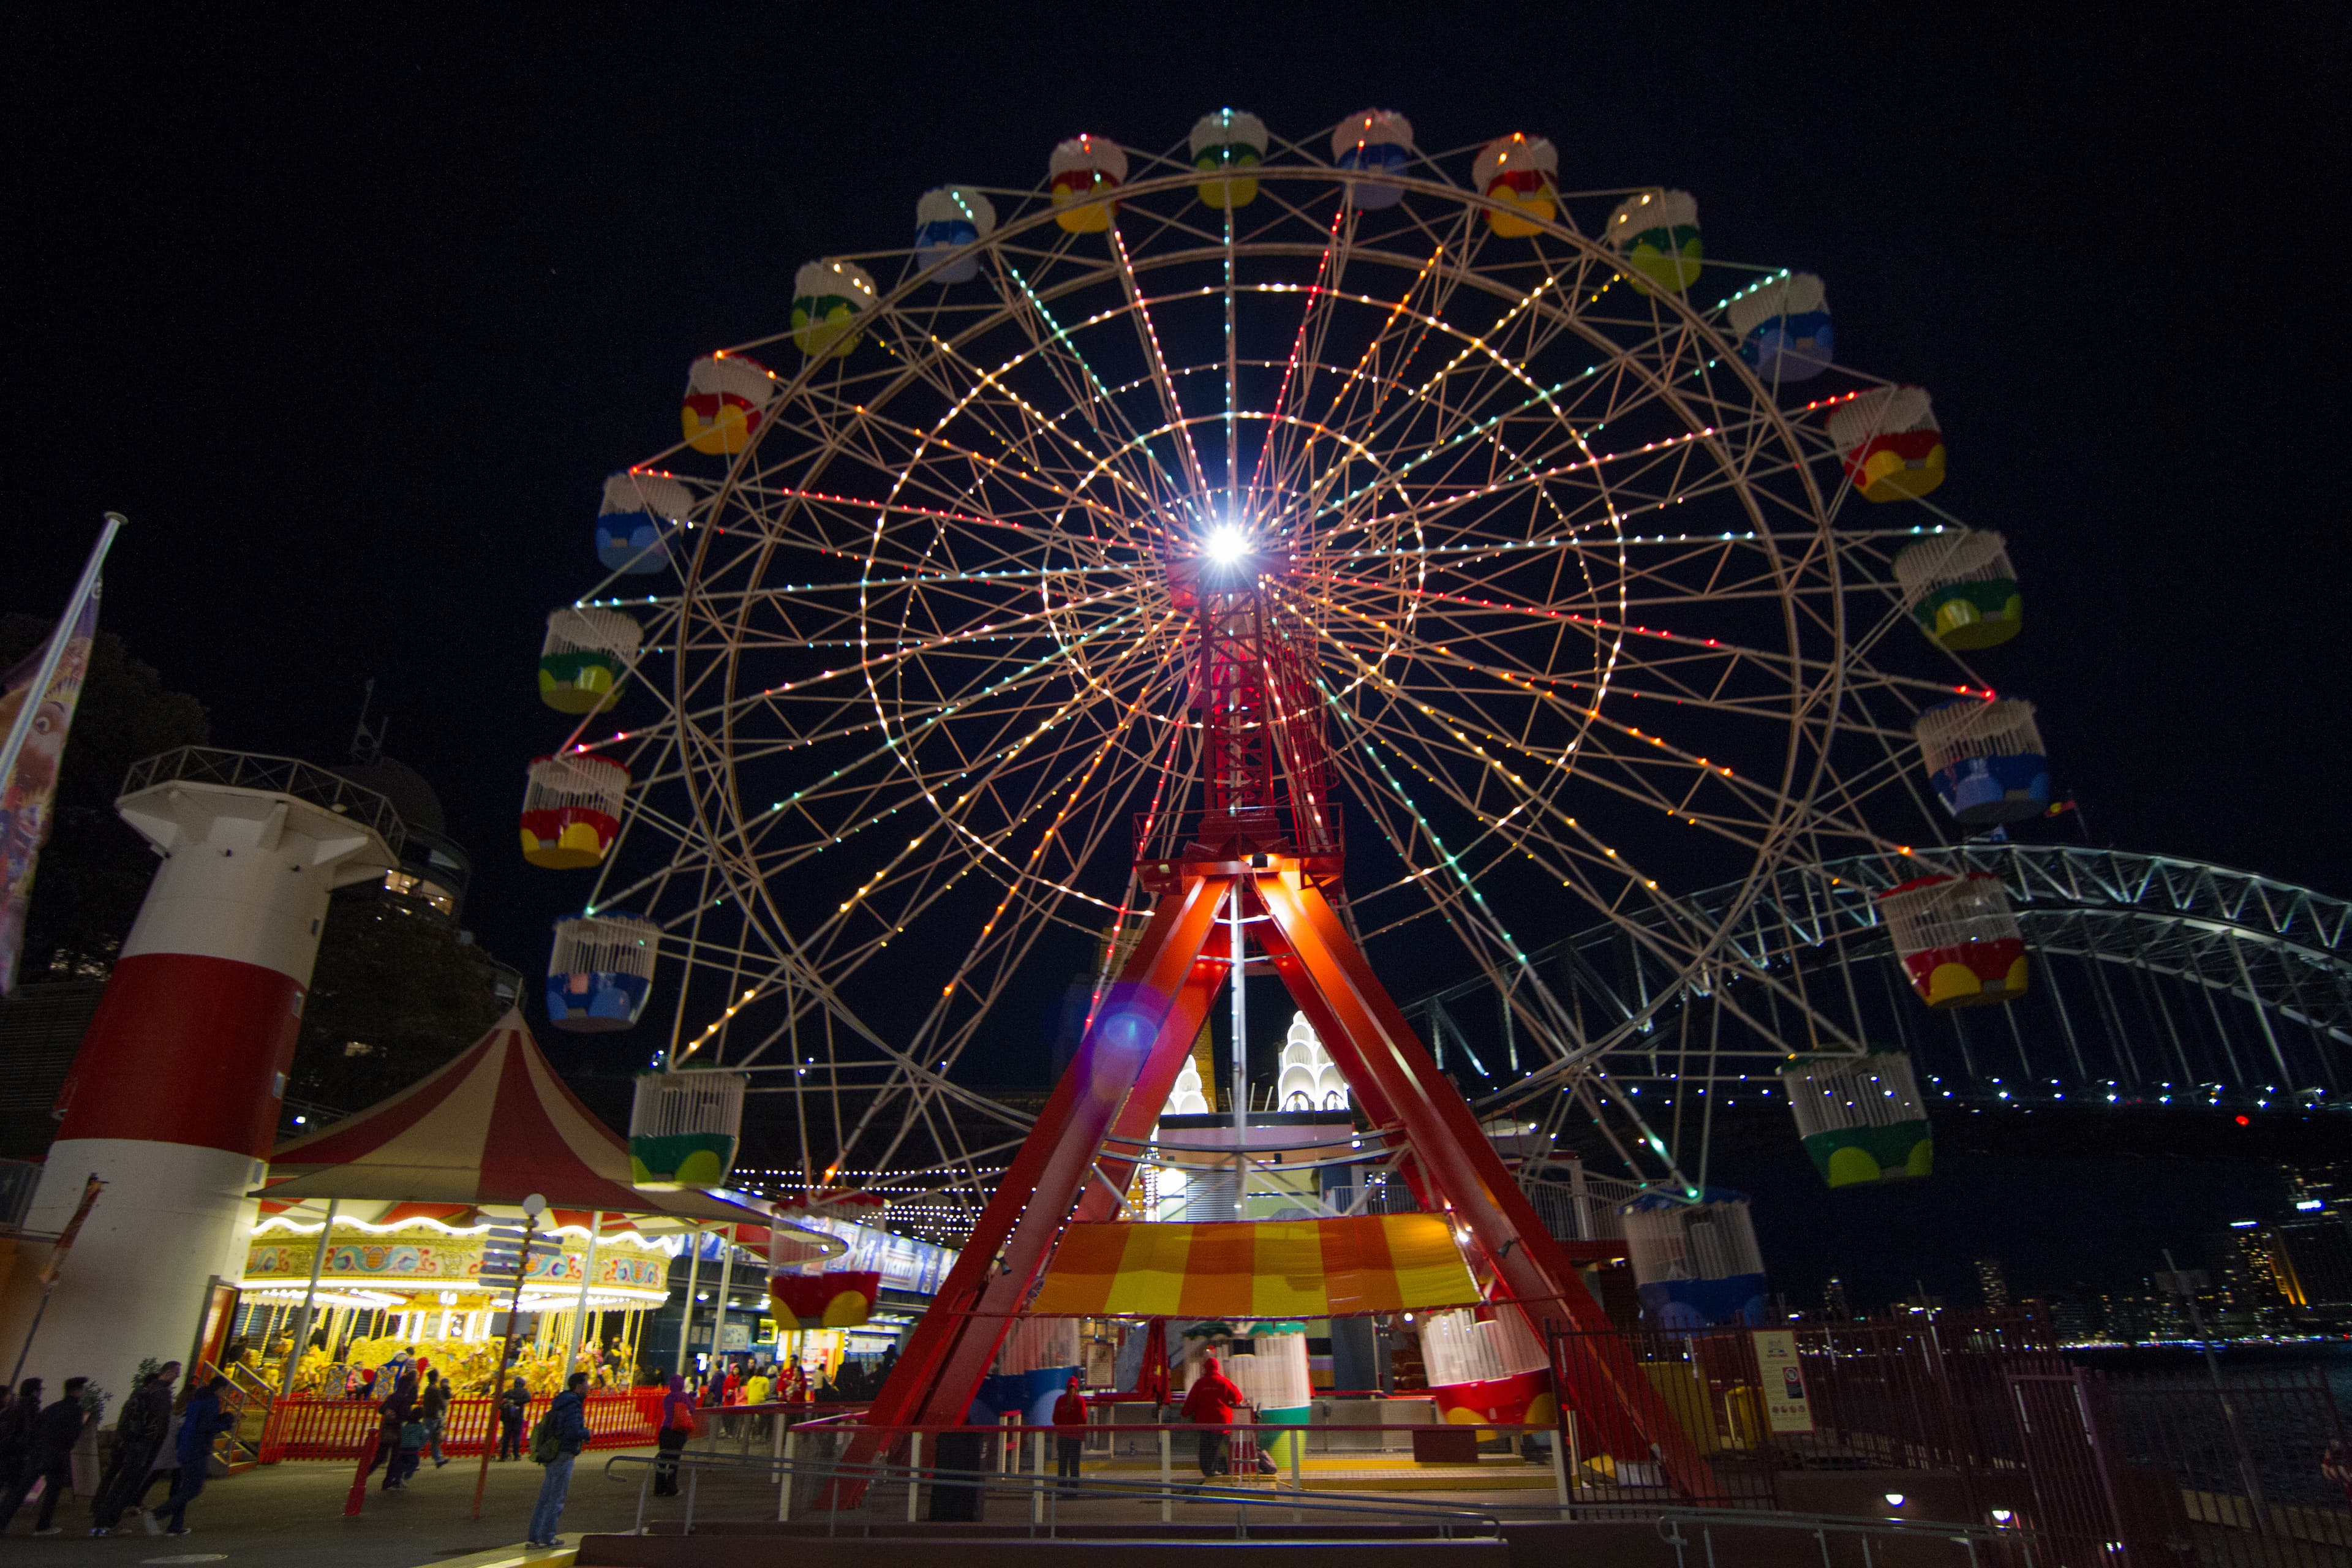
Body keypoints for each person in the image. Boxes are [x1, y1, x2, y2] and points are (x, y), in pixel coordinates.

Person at [91, 1360, 178, 1535]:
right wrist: (156, 1445)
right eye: (176, 1373)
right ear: (168, 1372)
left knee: (120, 1482)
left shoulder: (142, 1390)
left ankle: (101, 1521)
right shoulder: (162, 1394)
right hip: (145, 1445)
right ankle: (109, 1522)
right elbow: (161, 1424)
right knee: (129, 1484)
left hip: (129, 1442)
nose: (177, 1377)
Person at [0, 1375, 89, 1536]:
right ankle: (43, 1526)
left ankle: (2, 1522)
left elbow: (34, 1431)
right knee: (53, 1492)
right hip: (56, 1455)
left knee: (20, 1491)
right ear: (77, 1391)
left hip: (37, 1454)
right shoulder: (75, 1410)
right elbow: (72, 1435)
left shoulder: (51, 1408)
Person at [156, 1376, 233, 1537]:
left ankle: (176, 1525)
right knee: (193, 1488)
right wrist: (224, 1424)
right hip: (198, 1448)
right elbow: (205, 1426)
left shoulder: (197, 1400)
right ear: (220, 1389)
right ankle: (158, 1514)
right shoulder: (211, 1402)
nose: (226, 1393)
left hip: (186, 1446)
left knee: (185, 1488)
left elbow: (196, 1422)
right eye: (226, 1390)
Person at [527, 1371, 590, 1549]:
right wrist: (586, 1433)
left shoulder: (562, 1402)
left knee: (546, 1495)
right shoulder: (573, 1405)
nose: (589, 1387)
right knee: (557, 1496)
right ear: (579, 1386)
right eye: (587, 1383)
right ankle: (547, 1536)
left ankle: (535, 1535)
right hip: (564, 1453)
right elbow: (573, 1431)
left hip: (554, 1453)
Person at [1180, 1355, 1245, 1482]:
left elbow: (1191, 1402)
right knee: (1217, 1445)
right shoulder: (1224, 1382)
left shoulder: (1200, 1384)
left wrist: (1184, 1413)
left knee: (1205, 1446)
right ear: (1217, 1368)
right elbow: (1238, 1397)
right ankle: (1218, 1469)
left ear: (1205, 1368)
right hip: (1221, 1421)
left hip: (1203, 1421)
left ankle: (1209, 1470)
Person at [653, 1374, 697, 1496]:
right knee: (674, 1461)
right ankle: (671, 1488)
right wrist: (692, 1399)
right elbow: (692, 1410)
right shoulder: (684, 1397)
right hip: (678, 1431)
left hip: (666, 1430)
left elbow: (668, 1411)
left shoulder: (667, 1398)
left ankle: (659, 1487)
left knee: (663, 1459)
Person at [1051, 1374, 1088, 1492]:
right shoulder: (1080, 1401)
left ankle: (1061, 1488)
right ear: (1077, 1388)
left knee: (1062, 1464)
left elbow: (1055, 1418)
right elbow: (1083, 1418)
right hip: (1075, 1437)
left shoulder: (1060, 1400)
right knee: (1074, 1465)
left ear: (1066, 1387)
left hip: (1063, 1436)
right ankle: (1074, 1490)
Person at [420, 1369, 451, 1468]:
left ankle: (438, 1459)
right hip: (434, 1417)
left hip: (428, 1416)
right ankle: (412, 1455)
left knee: (434, 1439)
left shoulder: (428, 1389)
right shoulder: (435, 1390)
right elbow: (442, 1403)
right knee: (428, 1438)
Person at [496, 1375, 530, 1461]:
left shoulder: (510, 1392)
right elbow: (528, 1399)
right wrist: (518, 1402)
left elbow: (499, 1399)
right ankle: (516, 1455)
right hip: (518, 1415)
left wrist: (503, 1406)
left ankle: (503, 1456)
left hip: (507, 1416)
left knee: (506, 1436)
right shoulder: (524, 1392)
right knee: (517, 1436)